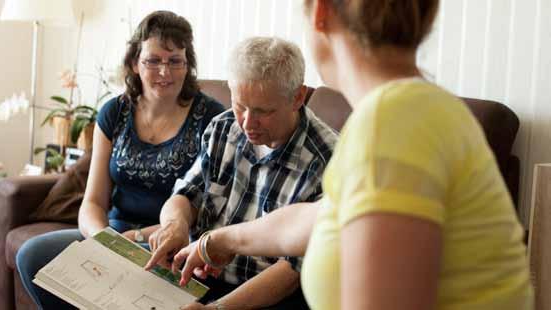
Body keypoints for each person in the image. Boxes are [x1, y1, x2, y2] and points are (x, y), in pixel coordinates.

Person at [171, 1, 534, 309]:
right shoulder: (413, 112)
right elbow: (313, 220)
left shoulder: (393, 128)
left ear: (321, 14)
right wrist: (219, 241)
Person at [15, 10, 224, 309]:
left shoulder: (212, 119)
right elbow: (93, 202)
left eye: (175, 60)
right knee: (32, 254)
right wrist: (105, 242)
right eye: (153, 60)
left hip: (171, 242)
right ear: (134, 63)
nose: (164, 72)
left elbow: (205, 211)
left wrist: (135, 237)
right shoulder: (114, 112)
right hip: (114, 234)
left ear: (187, 64)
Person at [144, 36, 337, 309]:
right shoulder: (223, 127)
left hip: (266, 296)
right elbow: (187, 193)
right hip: (198, 273)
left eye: (262, 111)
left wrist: (218, 308)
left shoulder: (329, 161)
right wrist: (175, 225)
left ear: (298, 97)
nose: (247, 123)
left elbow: (293, 271)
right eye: (240, 106)